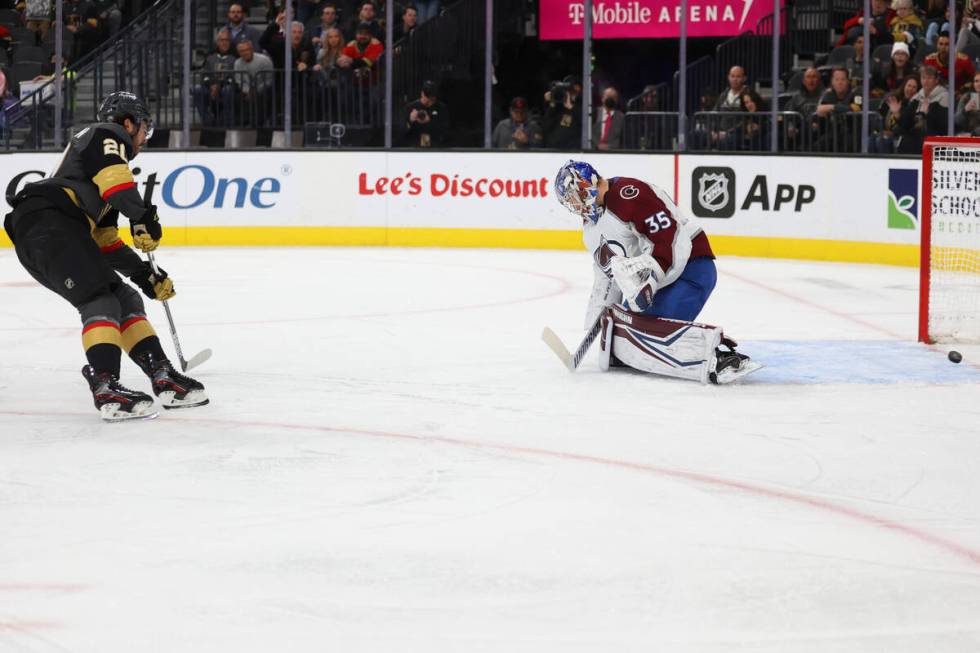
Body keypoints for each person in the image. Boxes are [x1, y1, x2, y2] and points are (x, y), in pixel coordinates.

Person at [2, 91, 208, 421]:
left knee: (123, 297)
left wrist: (143, 275)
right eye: (144, 129)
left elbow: (105, 241)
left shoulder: (92, 179)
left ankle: (162, 374)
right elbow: (116, 182)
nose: (144, 138)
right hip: (48, 224)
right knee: (99, 298)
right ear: (128, 123)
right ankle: (106, 385)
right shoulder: (106, 134)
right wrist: (141, 216)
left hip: (53, 231)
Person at [552, 160, 758, 384]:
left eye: (574, 197)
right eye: (569, 202)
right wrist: (598, 323)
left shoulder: (628, 194)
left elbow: (669, 239)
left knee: (646, 333)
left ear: (586, 185)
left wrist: (651, 278)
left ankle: (720, 357)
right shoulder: (591, 230)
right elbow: (607, 277)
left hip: (691, 268)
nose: (574, 205)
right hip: (658, 281)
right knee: (625, 329)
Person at [896, 64, 949, 153]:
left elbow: (944, 126)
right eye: (923, 78)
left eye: (929, 78)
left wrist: (927, 114)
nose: (926, 81)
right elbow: (904, 125)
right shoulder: (916, 98)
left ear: (936, 80)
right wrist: (899, 112)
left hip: (935, 138)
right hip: (916, 138)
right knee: (905, 140)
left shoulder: (944, 97)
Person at [194, 29, 238, 127]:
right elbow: (204, 75)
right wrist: (211, 86)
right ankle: (207, 121)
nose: (224, 43)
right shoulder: (210, 56)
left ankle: (227, 123)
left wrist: (220, 86)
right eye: (221, 40)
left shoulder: (236, 56)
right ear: (217, 42)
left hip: (228, 87)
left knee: (228, 90)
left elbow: (236, 76)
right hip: (211, 87)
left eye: (227, 40)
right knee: (197, 89)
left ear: (230, 42)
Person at [875, 74, 920, 152]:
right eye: (909, 86)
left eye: (914, 87)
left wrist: (896, 114)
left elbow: (906, 126)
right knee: (872, 139)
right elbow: (880, 116)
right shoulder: (893, 99)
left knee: (882, 141)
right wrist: (882, 131)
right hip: (886, 133)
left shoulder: (915, 105)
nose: (910, 89)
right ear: (904, 86)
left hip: (901, 136)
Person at [233, 40, 274, 125]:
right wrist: (248, 91)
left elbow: (269, 80)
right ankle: (243, 123)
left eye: (246, 50)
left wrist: (256, 90)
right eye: (241, 51)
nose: (244, 53)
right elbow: (239, 81)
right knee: (236, 95)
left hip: (263, 89)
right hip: (246, 90)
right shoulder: (237, 63)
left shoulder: (264, 60)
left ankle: (259, 123)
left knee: (264, 95)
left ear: (252, 49)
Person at [400, 79, 449, 147]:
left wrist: (430, 121)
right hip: (414, 147)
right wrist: (410, 121)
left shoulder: (441, 108)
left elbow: (446, 131)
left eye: (431, 100)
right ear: (422, 93)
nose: (429, 102)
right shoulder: (411, 107)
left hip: (435, 147)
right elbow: (401, 132)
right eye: (427, 99)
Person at [592, 86, 625, 150]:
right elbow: (588, 133)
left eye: (613, 97)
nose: (610, 99)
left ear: (617, 100)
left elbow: (623, 139)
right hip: (594, 151)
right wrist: (597, 145)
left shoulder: (622, 117)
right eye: (608, 96)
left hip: (613, 153)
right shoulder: (594, 113)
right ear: (602, 98)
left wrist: (611, 147)